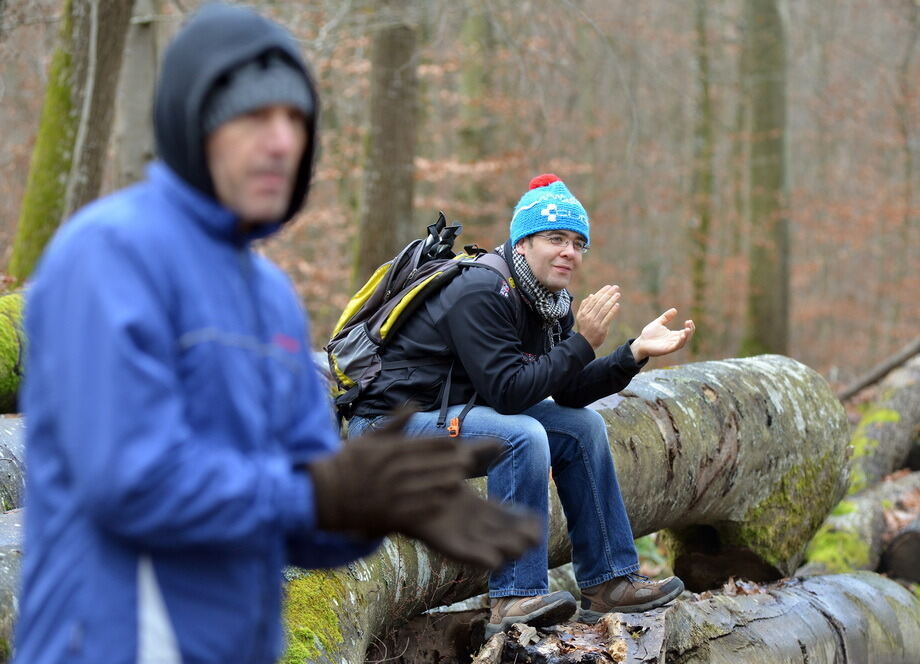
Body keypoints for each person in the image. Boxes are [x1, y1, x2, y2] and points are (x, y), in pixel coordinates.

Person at [12, 5, 539, 663]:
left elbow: (298, 520)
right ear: (191, 119)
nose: (283, 141)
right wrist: (318, 491)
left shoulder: (271, 302)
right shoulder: (108, 255)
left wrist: (370, 503)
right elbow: (129, 482)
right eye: (255, 117)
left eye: (296, 120)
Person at [349, 173, 696, 636]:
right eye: (556, 239)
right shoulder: (479, 291)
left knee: (581, 428)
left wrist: (632, 353)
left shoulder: (549, 303)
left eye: (577, 243)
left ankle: (608, 580)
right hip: (384, 429)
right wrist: (583, 344)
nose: (569, 252)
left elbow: (567, 391)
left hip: (452, 417)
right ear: (524, 242)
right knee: (521, 435)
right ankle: (514, 594)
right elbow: (508, 393)